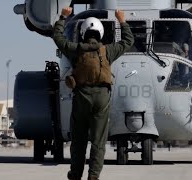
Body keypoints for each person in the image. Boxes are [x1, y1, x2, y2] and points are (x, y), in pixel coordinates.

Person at [52, 7, 134, 180]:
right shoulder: (108, 51)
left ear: (83, 33)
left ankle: (75, 175)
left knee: (79, 141)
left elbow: (58, 38)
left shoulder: (76, 49)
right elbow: (128, 40)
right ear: (101, 33)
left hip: (81, 97)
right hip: (102, 99)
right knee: (98, 141)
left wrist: (63, 17)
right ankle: (93, 176)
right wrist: (122, 20)